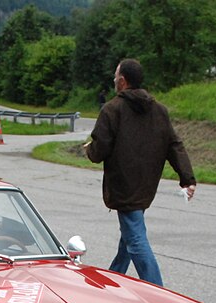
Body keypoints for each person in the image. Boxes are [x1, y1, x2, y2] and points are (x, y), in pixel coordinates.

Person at [84, 58, 196, 287]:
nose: (114, 80)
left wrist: (89, 149)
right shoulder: (159, 111)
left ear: (123, 81)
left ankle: (159, 291)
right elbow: (174, 144)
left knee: (135, 240)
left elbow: (99, 151)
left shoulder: (112, 109)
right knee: (130, 233)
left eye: (116, 76)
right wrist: (187, 178)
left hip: (123, 186)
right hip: (146, 185)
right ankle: (114, 276)